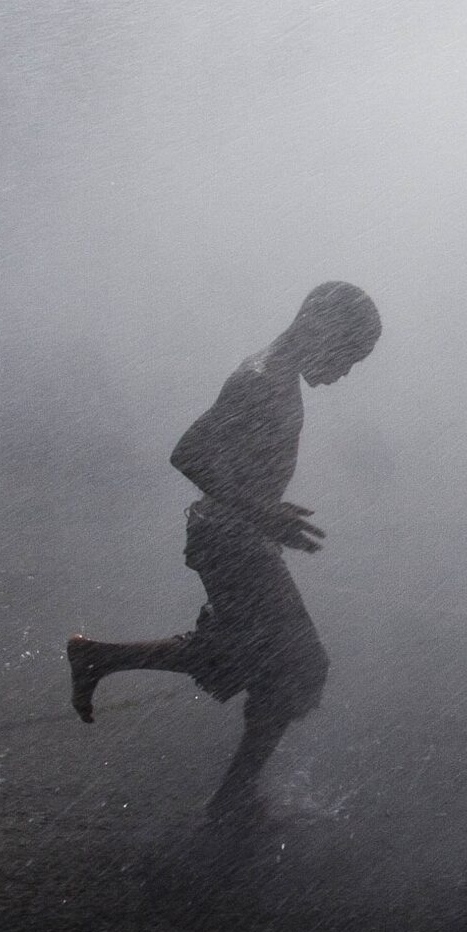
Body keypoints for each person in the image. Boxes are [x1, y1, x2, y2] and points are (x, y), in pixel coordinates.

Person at [67, 281, 381, 821]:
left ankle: (104, 657)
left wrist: (262, 518)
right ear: (321, 330)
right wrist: (261, 513)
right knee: (300, 667)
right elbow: (187, 453)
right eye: (349, 356)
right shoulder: (262, 381)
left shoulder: (278, 378)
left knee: (259, 660)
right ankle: (233, 796)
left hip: (239, 538)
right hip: (229, 540)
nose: (347, 372)